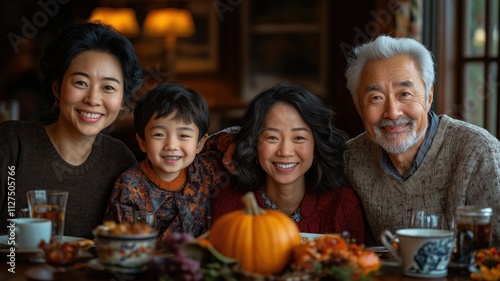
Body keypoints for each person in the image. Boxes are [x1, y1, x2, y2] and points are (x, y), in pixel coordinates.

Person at [343, 35, 500, 246]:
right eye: (376, 98)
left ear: (428, 96)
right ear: (358, 106)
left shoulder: (478, 151)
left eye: (405, 94)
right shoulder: (351, 158)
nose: (392, 112)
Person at [0, 21, 143, 238]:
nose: (93, 99)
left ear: (122, 100)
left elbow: (124, 245)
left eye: (108, 88)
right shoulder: (11, 144)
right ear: (57, 88)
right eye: (80, 83)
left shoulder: (121, 162)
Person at [212, 83, 366, 243]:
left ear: (317, 145)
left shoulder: (342, 205)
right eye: (272, 137)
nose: (285, 151)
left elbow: (353, 264)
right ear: (254, 143)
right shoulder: (229, 203)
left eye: (299, 138)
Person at [104, 82, 232, 246]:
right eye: (159, 134)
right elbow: (118, 243)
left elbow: (242, 138)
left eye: (184, 136)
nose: (171, 145)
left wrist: (229, 143)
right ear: (142, 142)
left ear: (200, 144)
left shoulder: (206, 169)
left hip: (199, 265)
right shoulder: (129, 186)